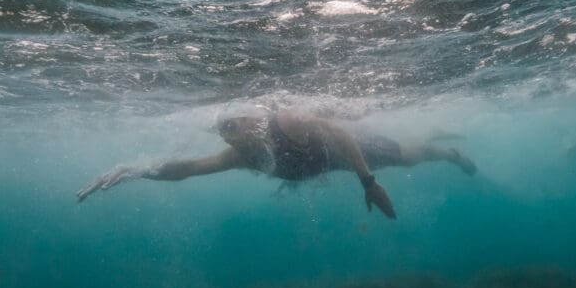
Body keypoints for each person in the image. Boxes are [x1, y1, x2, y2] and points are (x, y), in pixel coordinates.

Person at [76, 109, 476, 219]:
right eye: (226, 130)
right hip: (331, 165)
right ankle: (436, 141)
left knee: (409, 156)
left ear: (254, 117)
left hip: (351, 151)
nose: (235, 133)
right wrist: (133, 171)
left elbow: (338, 133)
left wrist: (368, 183)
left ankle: (447, 151)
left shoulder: (288, 121)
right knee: (408, 155)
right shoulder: (241, 155)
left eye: (239, 123)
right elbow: (188, 169)